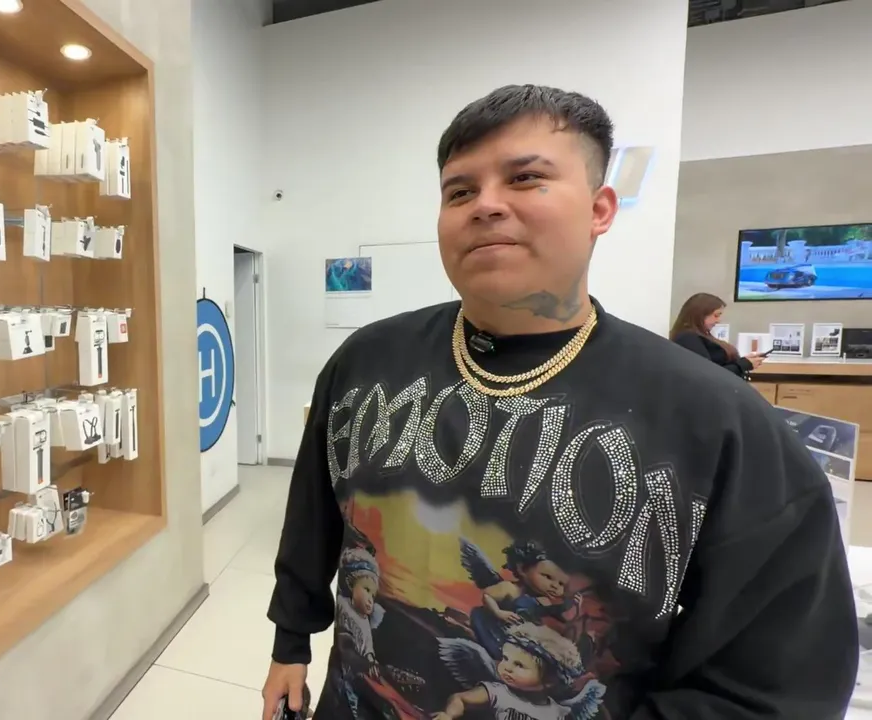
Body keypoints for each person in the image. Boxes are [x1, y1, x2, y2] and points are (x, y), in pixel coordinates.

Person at [261, 84, 857, 720]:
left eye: (525, 179)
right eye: (459, 191)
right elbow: (315, 517)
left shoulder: (715, 420)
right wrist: (290, 642)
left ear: (600, 209)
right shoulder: (367, 362)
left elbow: (779, 682)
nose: (486, 205)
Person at [669, 292, 762, 377]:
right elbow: (707, 374)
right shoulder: (687, 338)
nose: (718, 321)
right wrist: (743, 365)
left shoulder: (699, 336)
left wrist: (744, 362)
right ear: (700, 314)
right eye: (716, 315)